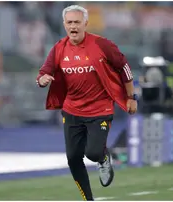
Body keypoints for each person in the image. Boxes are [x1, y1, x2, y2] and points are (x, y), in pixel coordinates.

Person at [36, 5, 137, 201]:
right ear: (64, 25)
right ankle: (88, 199)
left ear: (85, 24)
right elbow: (43, 73)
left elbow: (123, 65)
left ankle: (103, 157)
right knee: (73, 158)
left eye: (77, 22)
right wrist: (42, 80)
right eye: (69, 22)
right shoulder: (59, 49)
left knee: (92, 153)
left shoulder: (102, 45)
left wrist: (131, 97)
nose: (73, 26)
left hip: (100, 109)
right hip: (72, 111)